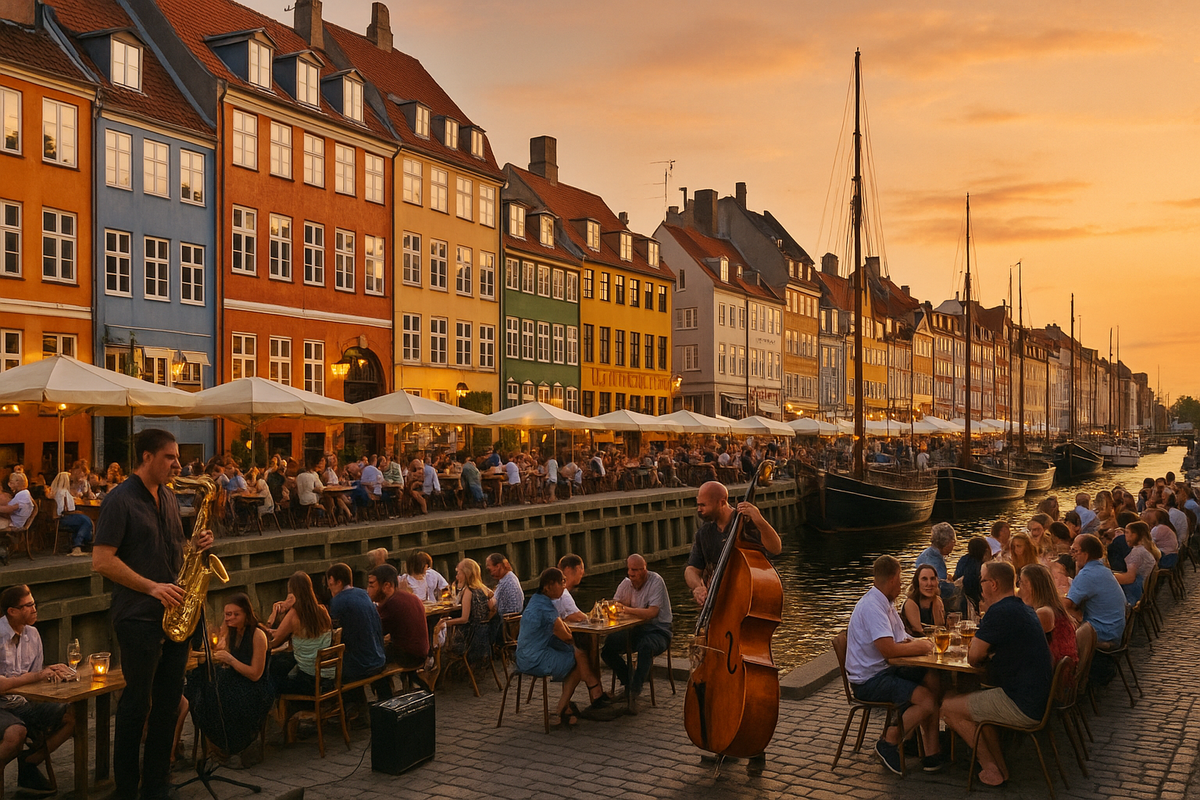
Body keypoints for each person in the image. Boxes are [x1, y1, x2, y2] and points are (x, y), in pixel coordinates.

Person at [93, 428, 213, 800]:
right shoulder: (120, 500)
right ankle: (126, 789)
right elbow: (102, 560)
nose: (178, 464)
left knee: (167, 703)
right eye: (170, 457)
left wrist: (194, 546)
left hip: (175, 615)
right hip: (139, 615)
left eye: (177, 458)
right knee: (136, 705)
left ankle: (157, 782)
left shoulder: (169, 496)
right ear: (147, 457)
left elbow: (170, 548)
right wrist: (151, 587)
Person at [941, 561, 1053, 788]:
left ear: (992, 584)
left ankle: (990, 768)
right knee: (978, 697)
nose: (979, 586)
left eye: (982, 580)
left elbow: (973, 657)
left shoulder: (1000, 611)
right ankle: (1000, 767)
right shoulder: (1022, 608)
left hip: (1023, 705)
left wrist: (985, 650)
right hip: (1037, 698)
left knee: (947, 707)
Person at [845, 556, 946, 775]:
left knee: (932, 678)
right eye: (900, 580)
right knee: (927, 700)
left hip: (884, 670)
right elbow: (889, 650)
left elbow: (902, 638)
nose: (902, 585)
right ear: (891, 579)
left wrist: (921, 643)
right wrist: (921, 648)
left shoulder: (886, 603)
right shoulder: (873, 607)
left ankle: (930, 752)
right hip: (869, 680)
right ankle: (889, 740)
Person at [0, 585, 76, 795]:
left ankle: (30, 762)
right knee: (16, 733)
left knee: (72, 715)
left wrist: (52, 673)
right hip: (2, 705)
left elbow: (35, 679)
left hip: (24, 702)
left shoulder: (32, 634)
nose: (35, 609)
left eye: (34, 603)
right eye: (28, 605)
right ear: (12, 611)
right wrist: (37, 676)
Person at [515, 568, 610, 726]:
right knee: (579, 661)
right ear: (549, 585)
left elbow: (562, 631)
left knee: (577, 654)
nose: (564, 587)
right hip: (534, 658)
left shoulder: (537, 600)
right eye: (561, 583)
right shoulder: (545, 607)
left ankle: (574, 704)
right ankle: (563, 708)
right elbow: (566, 636)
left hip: (525, 652)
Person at [186, 593, 274, 758]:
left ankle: (231, 745)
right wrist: (223, 636)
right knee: (201, 686)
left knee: (222, 696)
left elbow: (255, 674)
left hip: (255, 687)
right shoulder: (232, 630)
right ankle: (217, 742)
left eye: (235, 614)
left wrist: (231, 660)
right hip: (236, 678)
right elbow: (219, 653)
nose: (230, 618)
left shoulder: (257, 635)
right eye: (227, 614)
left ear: (246, 615)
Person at [684, 482, 782, 605]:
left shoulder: (746, 523)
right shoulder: (704, 532)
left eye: (703, 505)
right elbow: (691, 569)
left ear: (721, 502)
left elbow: (776, 548)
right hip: (720, 600)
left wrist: (760, 522)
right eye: (698, 505)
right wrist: (697, 587)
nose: (699, 510)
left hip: (752, 598)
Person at [601, 555, 672, 715]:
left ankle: (634, 692)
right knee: (608, 648)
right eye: (629, 570)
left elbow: (652, 612)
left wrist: (626, 609)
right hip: (636, 629)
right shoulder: (627, 583)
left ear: (643, 570)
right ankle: (628, 682)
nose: (630, 575)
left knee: (646, 646)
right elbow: (615, 604)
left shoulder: (655, 581)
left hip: (658, 630)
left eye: (634, 571)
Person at [1065, 534, 1127, 686]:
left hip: (1103, 633)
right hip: (1115, 627)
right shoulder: (1103, 569)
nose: (1072, 555)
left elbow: (1067, 604)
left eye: (1075, 551)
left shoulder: (1087, 575)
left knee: (1060, 632)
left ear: (1085, 554)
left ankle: (1067, 681)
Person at [266, 571, 335, 695]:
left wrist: (273, 615)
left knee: (271, 673)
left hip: (307, 680)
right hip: (327, 678)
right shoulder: (323, 611)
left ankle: (278, 712)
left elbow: (274, 642)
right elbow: (306, 635)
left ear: (292, 592)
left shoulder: (295, 614)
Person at [1018, 564, 1078, 689]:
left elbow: (1021, 644)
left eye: (1023, 583)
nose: (1019, 589)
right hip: (1057, 673)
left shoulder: (1044, 613)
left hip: (1054, 682)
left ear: (1035, 588)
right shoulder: (1053, 607)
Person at [325, 563, 386, 684]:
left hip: (362, 664)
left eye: (330, 584)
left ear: (338, 582)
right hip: (379, 658)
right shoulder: (363, 594)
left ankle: (348, 701)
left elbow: (336, 636)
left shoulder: (338, 601)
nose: (329, 588)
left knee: (327, 672)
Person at [367, 565, 429, 670]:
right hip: (422, 652)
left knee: (370, 662)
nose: (367, 590)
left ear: (386, 586)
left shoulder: (392, 603)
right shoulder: (408, 596)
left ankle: (384, 687)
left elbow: (375, 631)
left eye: (372, 586)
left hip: (408, 655)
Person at [436, 559, 493, 667]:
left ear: (466, 573)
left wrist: (445, 624)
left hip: (469, 639)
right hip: (484, 635)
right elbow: (492, 595)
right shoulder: (482, 587)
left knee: (440, 640)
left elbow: (464, 619)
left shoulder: (469, 591)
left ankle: (440, 671)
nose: (457, 575)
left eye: (459, 573)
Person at [914, 522, 961, 607]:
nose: (954, 544)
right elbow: (940, 588)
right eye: (953, 541)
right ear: (947, 543)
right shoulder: (937, 562)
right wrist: (957, 585)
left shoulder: (925, 553)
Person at [47, 471, 93, 556]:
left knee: (82, 521)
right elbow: (65, 509)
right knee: (87, 521)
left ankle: (77, 544)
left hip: (59, 519)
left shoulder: (55, 492)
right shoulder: (63, 492)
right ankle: (79, 544)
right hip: (64, 518)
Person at [1114, 521, 1158, 606]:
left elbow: (1130, 578)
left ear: (1134, 535)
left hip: (1137, 591)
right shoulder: (1144, 549)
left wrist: (1110, 576)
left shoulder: (1137, 552)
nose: (1125, 536)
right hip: (1143, 588)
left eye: (1127, 532)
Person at [901, 564, 945, 637]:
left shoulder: (937, 601)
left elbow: (941, 629)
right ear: (917, 582)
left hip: (934, 643)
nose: (929, 583)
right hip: (914, 643)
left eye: (932, 579)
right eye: (924, 579)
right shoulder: (911, 603)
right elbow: (919, 631)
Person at [953, 536, 990, 614]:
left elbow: (956, 576)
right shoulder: (981, 566)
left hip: (960, 598)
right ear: (986, 551)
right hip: (975, 600)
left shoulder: (963, 560)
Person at [554, 554, 588, 622]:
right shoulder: (562, 593)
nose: (583, 572)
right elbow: (577, 616)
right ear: (568, 569)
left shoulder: (552, 589)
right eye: (580, 568)